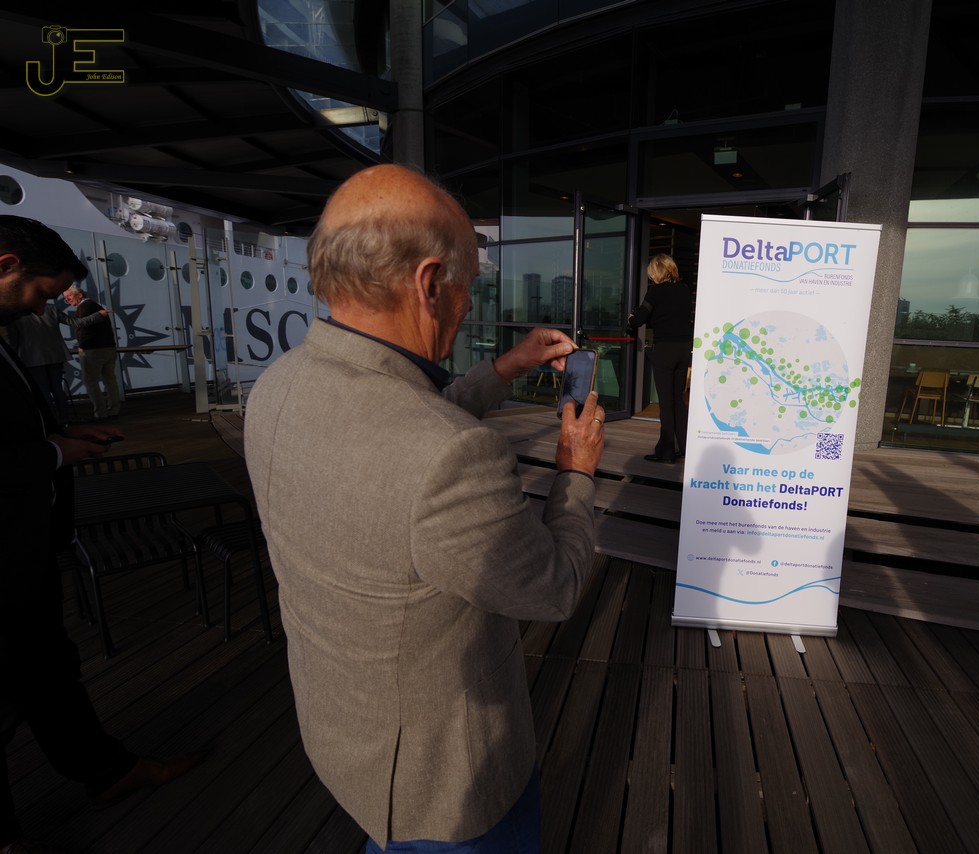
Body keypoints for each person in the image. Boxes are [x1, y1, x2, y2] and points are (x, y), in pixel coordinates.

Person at [244, 164, 605, 853]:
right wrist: (576, 471)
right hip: (444, 790)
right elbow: (553, 587)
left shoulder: (279, 384)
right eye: (470, 284)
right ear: (430, 283)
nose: (468, 303)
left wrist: (505, 367)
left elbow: (402, 421)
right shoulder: (450, 456)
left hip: (345, 738)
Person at [0, 215, 205, 854]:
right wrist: (54, 455)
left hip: (25, 552)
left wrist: (61, 437)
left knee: (48, 669)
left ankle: (106, 771)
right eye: (39, 293)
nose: (41, 308)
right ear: (6, 264)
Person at [627, 253, 693, 462]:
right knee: (678, 401)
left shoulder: (655, 292)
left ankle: (666, 452)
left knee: (666, 403)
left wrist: (631, 318)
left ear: (657, 272)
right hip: (684, 349)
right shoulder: (684, 290)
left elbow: (639, 320)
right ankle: (685, 448)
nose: (651, 278)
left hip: (665, 350)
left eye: (651, 274)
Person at [59, 285, 120, 422]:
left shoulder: (84, 308)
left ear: (80, 295)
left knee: (91, 382)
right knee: (110, 380)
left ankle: (101, 413)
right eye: (65, 298)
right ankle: (114, 410)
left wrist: (82, 346)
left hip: (93, 350)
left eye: (69, 296)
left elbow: (83, 329)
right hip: (109, 348)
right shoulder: (96, 306)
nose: (67, 300)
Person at [7, 304, 72, 424]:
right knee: (57, 388)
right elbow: (75, 322)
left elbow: (14, 340)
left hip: (32, 358)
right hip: (55, 356)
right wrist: (97, 316)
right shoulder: (51, 308)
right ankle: (65, 417)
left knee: (43, 390)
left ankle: (52, 420)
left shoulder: (16, 314)